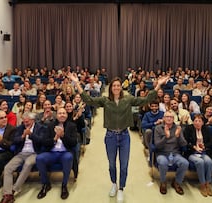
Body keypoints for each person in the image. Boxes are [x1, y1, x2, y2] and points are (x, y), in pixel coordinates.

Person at [68, 72, 169, 202]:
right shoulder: (105, 100)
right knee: (111, 164)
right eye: (114, 85)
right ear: (111, 88)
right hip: (110, 136)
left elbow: (146, 100)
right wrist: (76, 83)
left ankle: (121, 188)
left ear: (121, 87)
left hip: (124, 136)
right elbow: (89, 100)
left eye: (118, 85)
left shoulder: (127, 99)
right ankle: (114, 184)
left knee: (124, 165)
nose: (116, 87)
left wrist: (158, 85)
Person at [0, 112, 48, 203]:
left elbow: (42, 141)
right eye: (24, 121)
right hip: (21, 153)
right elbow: (14, 140)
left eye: (27, 121)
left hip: (34, 152)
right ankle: (7, 194)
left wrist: (31, 135)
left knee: (28, 163)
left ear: (33, 120)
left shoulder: (41, 128)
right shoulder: (20, 128)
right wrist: (22, 136)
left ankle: (13, 190)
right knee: (8, 168)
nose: (26, 123)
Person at [35, 107, 77, 200]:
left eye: (64, 113)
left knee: (68, 157)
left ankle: (64, 186)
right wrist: (54, 139)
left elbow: (74, 142)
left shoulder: (71, 126)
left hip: (65, 152)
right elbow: (44, 142)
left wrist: (63, 135)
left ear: (66, 115)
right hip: (52, 152)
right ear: (56, 115)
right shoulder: (50, 126)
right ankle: (46, 184)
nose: (62, 115)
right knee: (39, 158)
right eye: (60, 113)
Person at [154, 110, 188, 195]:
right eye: (167, 117)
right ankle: (163, 182)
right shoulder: (158, 128)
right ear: (164, 118)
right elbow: (157, 145)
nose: (169, 118)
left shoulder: (178, 128)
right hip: (162, 153)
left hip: (175, 153)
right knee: (163, 162)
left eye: (171, 117)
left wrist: (178, 136)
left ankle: (176, 182)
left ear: (173, 119)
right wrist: (166, 137)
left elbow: (184, 144)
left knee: (185, 163)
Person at [184, 114, 212, 197]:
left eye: (199, 121)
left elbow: (211, 142)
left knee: (209, 162)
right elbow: (185, 142)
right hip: (192, 152)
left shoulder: (206, 129)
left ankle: (208, 183)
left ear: (203, 123)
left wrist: (205, 146)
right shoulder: (188, 128)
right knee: (200, 162)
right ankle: (202, 184)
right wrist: (194, 147)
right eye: (195, 121)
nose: (197, 123)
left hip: (203, 152)